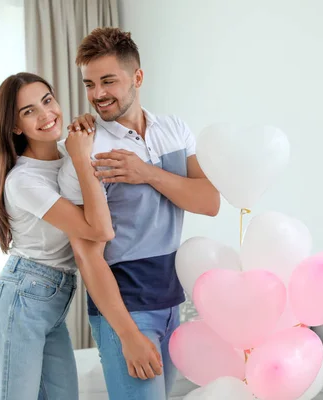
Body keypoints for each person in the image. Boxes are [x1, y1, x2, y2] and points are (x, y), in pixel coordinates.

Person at [57, 27, 220, 399]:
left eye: (108, 81)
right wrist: (127, 335)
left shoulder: (174, 130)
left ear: (138, 77)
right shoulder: (87, 151)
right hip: (126, 309)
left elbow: (208, 202)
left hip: (170, 300)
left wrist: (145, 172)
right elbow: (86, 254)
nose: (98, 94)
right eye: (89, 84)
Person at [0, 72, 114, 400]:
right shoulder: (23, 180)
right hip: (20, 301)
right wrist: (79, 156)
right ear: (16, 126)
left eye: (47, 101)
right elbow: (99, 229)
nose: (45, 114)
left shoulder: (68, 157)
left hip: (51, 303)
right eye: (29, 111)